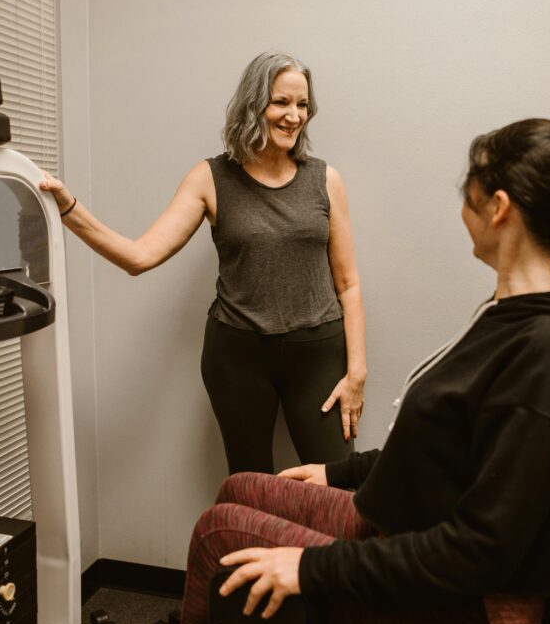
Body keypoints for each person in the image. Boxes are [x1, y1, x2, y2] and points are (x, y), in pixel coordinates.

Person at [179, 118, 550, 624]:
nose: (464, 209)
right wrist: (339, 473)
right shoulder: (518, 315)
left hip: (463, 604)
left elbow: (480, 552)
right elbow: (447, 442)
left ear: (499, 208)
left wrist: (311, 567)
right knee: (242, 489)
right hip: (409, 527)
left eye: (469, 194)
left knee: (221, 532)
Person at [39, 52, 366, 474]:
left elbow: (349, 283)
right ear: (254, 104)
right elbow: (140, 257)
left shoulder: (325, 180)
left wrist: (356, 371)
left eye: (302, 105)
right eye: (281, 102)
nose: (294, 115)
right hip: (238, 357)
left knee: (339, 487)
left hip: (318, 354)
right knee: (249, 489)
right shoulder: (211, 178)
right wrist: (69, 209)